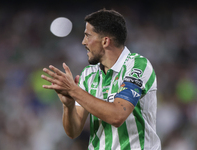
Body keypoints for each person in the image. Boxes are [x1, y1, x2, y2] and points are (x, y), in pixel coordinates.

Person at [41, 9, 161, 150]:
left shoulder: (137, 65)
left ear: (105, 41)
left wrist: (73, 90)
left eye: (88, 36)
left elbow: (117, 116)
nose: (83, 42)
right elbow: (73, 132)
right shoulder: (88, 74)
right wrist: (68, 105)